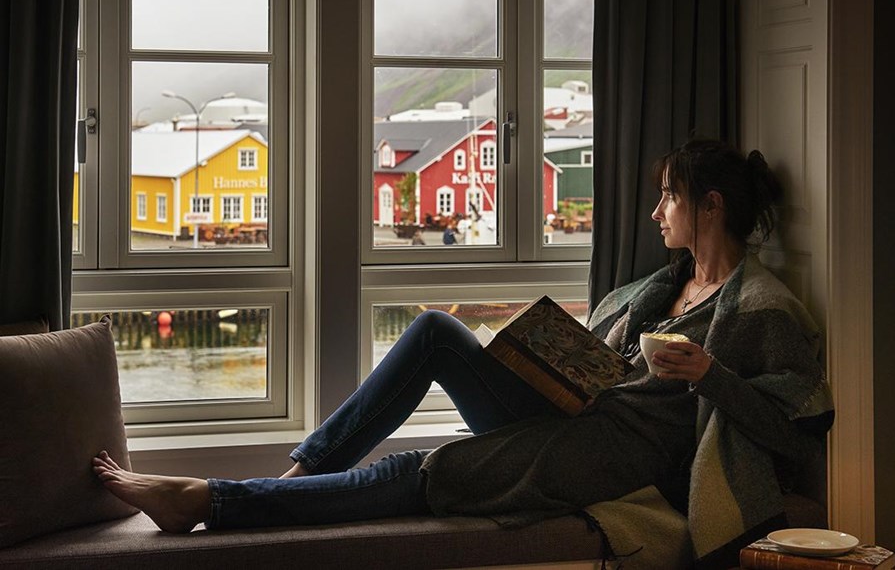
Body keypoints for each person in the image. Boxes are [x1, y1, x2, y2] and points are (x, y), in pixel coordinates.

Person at [93, 140, 833, 562]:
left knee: (427, 469)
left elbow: (796, 428)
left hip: (623, 450)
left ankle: (210, 500)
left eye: (669, 197)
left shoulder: (763, 307)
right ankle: (298, 474)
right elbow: (608, 362)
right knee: (435, 331)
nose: (655, 211)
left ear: (712, 206)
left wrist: (709, 373)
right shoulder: (660, 285)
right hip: (580, 410)